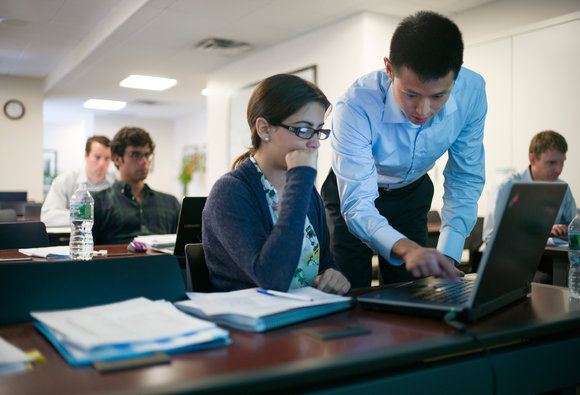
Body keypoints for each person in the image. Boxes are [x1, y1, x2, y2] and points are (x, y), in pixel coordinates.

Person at [321, 10, 486, 288]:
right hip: (353, 193)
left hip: (411, 194)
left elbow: (465, 176)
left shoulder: (472, 91)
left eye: (438, 96)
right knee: (349, 290)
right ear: (389, 69)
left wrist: (448, 254)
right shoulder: (355, 105)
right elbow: (358, 205)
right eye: (411, 94)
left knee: (412, 291)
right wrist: (406, 249)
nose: (423, 110)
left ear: (455, 78)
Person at [202, 74, 350, 295]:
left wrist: (333, 276)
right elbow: (272, 279)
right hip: (253, 320)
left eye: (318, 130)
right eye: (303, 129)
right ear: (263, 129)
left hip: (303, 314)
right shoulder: (231, 191)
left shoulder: (307, 192)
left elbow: (324, 262)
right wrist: (299, 180)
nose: (315, 143)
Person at [482, 130, 577, 245]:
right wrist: (540, 232)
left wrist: (563, 231)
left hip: (549, 258)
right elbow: (491, 237)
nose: (559, 169)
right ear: (532, 159)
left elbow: (574, 230)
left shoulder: (564, 189)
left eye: (562, 162)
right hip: (507, 258)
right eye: (551, 163)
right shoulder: (505, 187)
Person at [92, 127, 180, 245]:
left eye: (147, 155)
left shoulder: (170, 203)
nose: (144, 161)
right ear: (117, 159)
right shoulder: (99, 203)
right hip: (119, 263)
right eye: (135, 155)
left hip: (162, 263)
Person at [41, 136, 116, 227]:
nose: (102, 163)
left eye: (107, 158)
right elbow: (47, 216)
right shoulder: (64, 181)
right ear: (86, 156)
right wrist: (85, 213)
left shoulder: (116, 181)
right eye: (97, 157)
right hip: (76, 237)